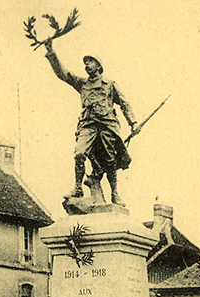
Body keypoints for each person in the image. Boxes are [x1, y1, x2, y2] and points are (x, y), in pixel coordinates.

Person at [44, 39, 140, 206]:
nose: (87, 65)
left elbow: (124, 103)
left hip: (107, 126)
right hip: (88, 125)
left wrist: (133, 122)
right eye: (86, 63)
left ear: (98, 66)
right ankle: (77, 187)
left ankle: (115, 193)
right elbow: (63, 74)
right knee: (79, 153)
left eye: (90, 62)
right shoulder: (82, 83)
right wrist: (51, 51)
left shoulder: (109, 85)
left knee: (110, 161)